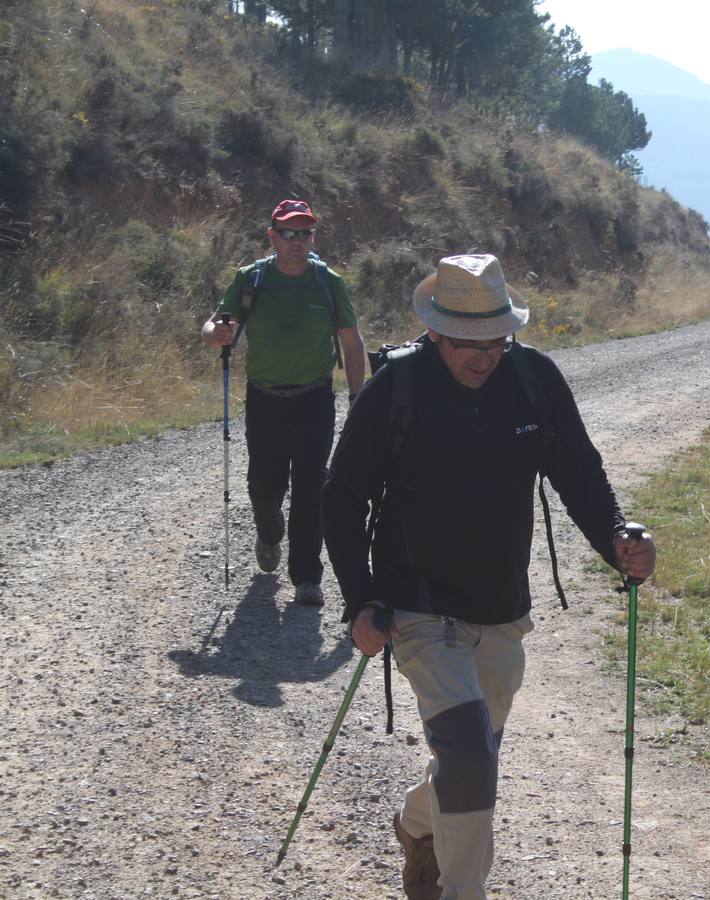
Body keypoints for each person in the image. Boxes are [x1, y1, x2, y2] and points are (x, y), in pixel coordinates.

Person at [322, 254, 656, 900]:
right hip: (414, 604)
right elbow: (342, 498)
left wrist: (618, 539)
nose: (485, 358)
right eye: (470, 346)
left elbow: (579, 473)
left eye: (497, 342)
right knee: (472, 758)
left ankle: (417, 826)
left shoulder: (533, 380)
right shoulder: (399, 388)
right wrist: (360, 601)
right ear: (436, 334)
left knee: (470, 759)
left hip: (501, 606)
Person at [200, 199, 365, 607]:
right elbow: (215, 322)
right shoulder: (252, 278)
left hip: (314, 397)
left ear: (314, 237)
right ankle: (269, 533)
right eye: (288, 233)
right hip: (264, 397)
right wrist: (213, 333)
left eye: (305, 233)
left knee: (312, 485)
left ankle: (307, 576)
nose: (297, 241)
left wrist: (359, 397)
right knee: (264, 483)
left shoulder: (329, 282)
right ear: (272, 236)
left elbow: (351, 340)